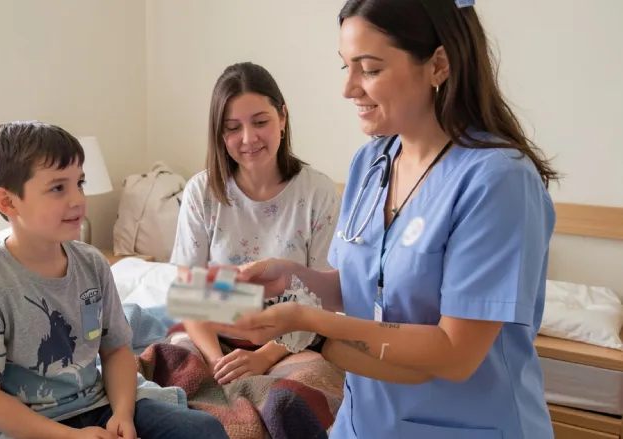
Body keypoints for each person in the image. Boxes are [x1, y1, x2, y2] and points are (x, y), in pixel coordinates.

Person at [207, 1, 560, 438]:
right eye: (346, 68)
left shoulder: (498, 181)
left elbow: (454, 353)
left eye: (369, 69)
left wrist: (310, 326)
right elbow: (359, 286)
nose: (349, 88)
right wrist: (294, 276)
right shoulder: (371, 163)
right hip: (364, 423)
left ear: (439, 64)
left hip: (467, 426)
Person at [0, 121, 229, 439]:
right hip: (18, 427)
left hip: (95, 405)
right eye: (57, 188)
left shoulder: (92, 263)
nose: (78, 199)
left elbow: (116, 350)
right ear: (8, 202)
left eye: (79, 183)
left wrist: (123, 414)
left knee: (204, 430)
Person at [170, 61, 342, 385]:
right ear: (220, 133)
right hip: (212, 338)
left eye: (260, 122)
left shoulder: (318, 192)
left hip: (288, 345)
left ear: (283, 117)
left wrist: (262, 358)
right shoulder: (201, 192)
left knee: (303, 388)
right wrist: (219, 362)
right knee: (173, 370)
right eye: (233, 127)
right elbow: (188, 295)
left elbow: (322, 301)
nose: (248, 139)